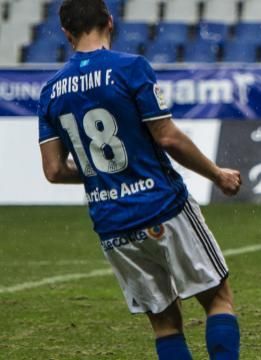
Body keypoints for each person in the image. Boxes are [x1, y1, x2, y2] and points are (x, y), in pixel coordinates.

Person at [38, 1, 241, 359]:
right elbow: (168, 137)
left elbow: (54, 171)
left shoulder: (51, 92)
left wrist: (103, 175)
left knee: (164, 324)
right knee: (217, 298)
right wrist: (217, 174)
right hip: (164, 207)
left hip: (113, 224)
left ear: (67, 34)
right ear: (110, 22)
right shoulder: (130, 68)